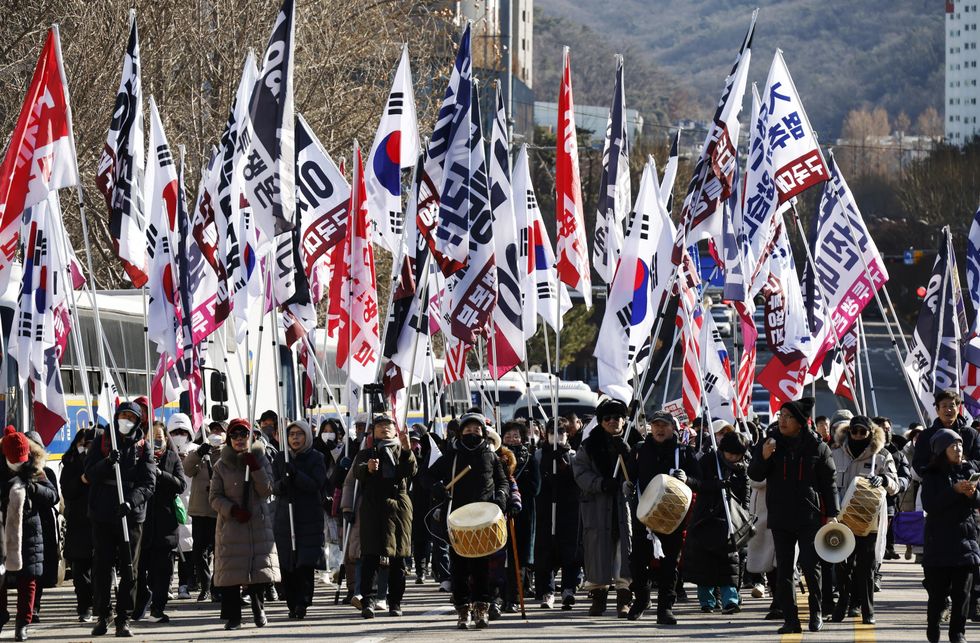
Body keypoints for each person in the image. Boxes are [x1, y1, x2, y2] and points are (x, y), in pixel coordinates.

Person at [748, 397, 839, 634]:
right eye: (781, 416)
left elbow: (829, 484)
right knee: (784, 571)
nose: (783, 421)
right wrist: (764, 456)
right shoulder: (771, 443)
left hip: (810, 516)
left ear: (800, 422)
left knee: (811, 566)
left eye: (788, 417)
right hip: (780, 516)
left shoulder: (817, 447)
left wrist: (832, 514)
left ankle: (816, 612)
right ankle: (791, 619)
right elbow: (755, 474)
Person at [428, 412, 509, 630]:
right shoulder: (451, 456)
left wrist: (501, 497)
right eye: (468, 429)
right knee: (459, 567)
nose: (472, 433)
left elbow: (502, 482)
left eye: (477, 430)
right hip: (457, 518)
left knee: (482, 567)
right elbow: (428, 477)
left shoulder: (490, 456)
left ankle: (482, 607)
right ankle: (463, 610)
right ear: (460, 432)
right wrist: (437, 489)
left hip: (483, 519)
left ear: (484, 433)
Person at [85, 402, 156, 638]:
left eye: (130, 417)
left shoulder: (142, 445)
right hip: (103, 512)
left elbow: (148, 483)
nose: (125, 420)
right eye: (122, 416)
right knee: (102, 567)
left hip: (130, 515)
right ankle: (103, 614)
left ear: (137, 421)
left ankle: (123, 617)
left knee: (129, 569)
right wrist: (107, 463)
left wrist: (131, 502)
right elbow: (88, 473)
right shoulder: (103, 440)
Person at [625, 410, 700, 623]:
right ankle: (641, 599)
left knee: (669, 567)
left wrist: (689, 480)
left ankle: (665, 609)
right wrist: (627, 484)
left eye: (663, 425)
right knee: (637, 563)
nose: (658, 429)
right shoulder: (640, 450)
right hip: (645, 518)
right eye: (655, 425)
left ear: (673, 428)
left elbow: (700, 482)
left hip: (672, 519)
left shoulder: (684, 453)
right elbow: (630, 475)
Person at [210, 419, 280, 630]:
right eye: (235, 436)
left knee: (257, 572)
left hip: (256, 524)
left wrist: (256, 467)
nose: (240, 439)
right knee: (232, 574)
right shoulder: (221, 465)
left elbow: (267, 490)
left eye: (244, 435)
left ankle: (259, 610)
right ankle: (234, 617)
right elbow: (214, 497)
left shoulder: (261, 459)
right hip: (232, 526)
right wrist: (231, 509)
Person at [828, 415, 898, 624]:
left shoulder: (883, 456)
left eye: (862, 432)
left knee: (865, 569)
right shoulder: (835, 453)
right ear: (849, 432)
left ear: (871, 433)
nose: (858, 435)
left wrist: (884, 480)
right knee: (841, 568)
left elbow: (895, 485)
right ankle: (843, 604)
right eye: (854, 431)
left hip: (869, 522)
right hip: (842, 521)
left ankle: (868, 611)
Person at [573, 398, 633, 619]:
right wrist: (600, 484)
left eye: (617, 417)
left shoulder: (633, 441)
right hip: (598, 506)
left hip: (624, 507)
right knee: (598, 553)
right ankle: (598, 598)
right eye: (607, 418)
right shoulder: (589, 445)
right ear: (600, 421)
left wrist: (628, 455)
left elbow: (640, 470)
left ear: (624, 420)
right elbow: (580, 472)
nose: (612, 421)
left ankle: (624, 597)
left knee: (623, 554)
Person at [921, 428, 980, 643]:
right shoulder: (931, 475)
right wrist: (953, 491)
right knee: (937, 594)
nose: (958, 449)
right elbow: (931, 505)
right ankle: (933, 625)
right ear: (941, 450)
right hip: (938, 543)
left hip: (965, 541)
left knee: (963, 594)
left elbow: (978, 502)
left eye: (960, 445)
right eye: (952, 445)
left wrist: (973, 493)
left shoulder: (968, 471)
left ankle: (957, 632)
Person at [353, 415, 415, 618]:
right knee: (370, 557)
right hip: (373, 508)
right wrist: (368, 469)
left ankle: (395, 602)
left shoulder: (401, 449)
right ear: (373, 431)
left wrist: (407, 450)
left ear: (395, 429)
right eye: (379, 425)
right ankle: (368, 601)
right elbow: (357, 473)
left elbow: (410, 471)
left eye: (388, 425)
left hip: (398, 508)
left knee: (398, 560)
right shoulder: (366, 452)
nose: (384, 428)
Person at [0, 428, 58, 642]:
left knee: (28, 579)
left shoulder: (35, 467)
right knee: (0, 579)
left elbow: (52, 495)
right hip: (1, 532)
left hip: (29, 531)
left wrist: (33, 488)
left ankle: (23, 623)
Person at [683, 431, 750, 615]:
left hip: (729, 520)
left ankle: (730, 600)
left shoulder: (742, 467)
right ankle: (707, 601)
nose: (734, 458)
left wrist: (744, 510)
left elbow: (745, 492)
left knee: (729, 562)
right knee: (704, 563)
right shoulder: (708, 460)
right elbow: (695, 483)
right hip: (705, 517)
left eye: (738, 455)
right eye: (731, 454)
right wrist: (716, 485)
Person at [271, 420, 327, 619]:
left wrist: (296, 475)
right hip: (285, 518)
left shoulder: (316, 457)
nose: (295, 438)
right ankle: (291, 603)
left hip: (308, 517)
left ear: (307, 436)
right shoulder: (280, 458)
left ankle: (302, 603)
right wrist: (283, 483)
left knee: (304, 563)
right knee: (287, 563)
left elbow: (316, 484)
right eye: (291, 434)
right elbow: (273, 486)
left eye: (299, 434)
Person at [135, 421, 186, 624]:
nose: (156, 440)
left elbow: (181, 484)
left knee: (163, 571)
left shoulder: (172, 458)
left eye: (159, 436)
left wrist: (161, 475)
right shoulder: (139, 457)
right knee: (140, 570)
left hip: (166, 525)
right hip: (143, 524)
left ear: (165, 438)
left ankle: (158, 608)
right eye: (151, 436)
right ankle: (141, 601)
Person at [534, 417, 582, 610]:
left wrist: (564, 465)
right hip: (545, 507)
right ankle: (548, 591)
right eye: (554, 433)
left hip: (568, 509)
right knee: (546, 550)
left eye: (561, 433)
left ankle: (568, 588)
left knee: (570, 549)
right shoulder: (538, 455)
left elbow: (578, 480)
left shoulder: (573, 455)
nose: (558, 437)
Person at [181, 418, 223, 602]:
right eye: (212, 431)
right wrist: (198, 453)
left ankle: (216, 586)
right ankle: (205, 586)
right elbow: (187, 469)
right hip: (200, 511)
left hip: (218, 512)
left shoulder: (226, 454)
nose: (215, 435)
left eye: (219, 432)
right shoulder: (199, 452)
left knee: (219, 551)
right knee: (199, 553)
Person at [499, 421, 539, 613]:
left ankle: (514, 597)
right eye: (508, 436)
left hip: (523, 512)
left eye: (516, 436)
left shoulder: (530, 458)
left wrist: (517, 496)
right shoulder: (496, 457)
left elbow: (536, 487)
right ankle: (499, 596)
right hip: (499, 511)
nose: (511, 439)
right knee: (499, 557)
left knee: (519, 558)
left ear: (522, 438)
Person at [60, 428, 95, 623]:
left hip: (99, 521)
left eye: (88, 444)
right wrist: (82, 480)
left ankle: (99, 603)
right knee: (80, 572)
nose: (85, 448)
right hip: (78, 523)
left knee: (99, 569)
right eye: (82, 444)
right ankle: (84, 606)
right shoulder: (71, 464)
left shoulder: (101, 462)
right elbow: (67, 490)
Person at [913, 390, 980, 476]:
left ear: (958, 409)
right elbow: (919, 464)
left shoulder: (972, 434)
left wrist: (963, 466)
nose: (948, 410)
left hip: (966, 484)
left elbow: (978, 461)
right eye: (944, 406)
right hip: (937, 485)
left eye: (952, 406)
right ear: (937, 410)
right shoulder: (926, 435)